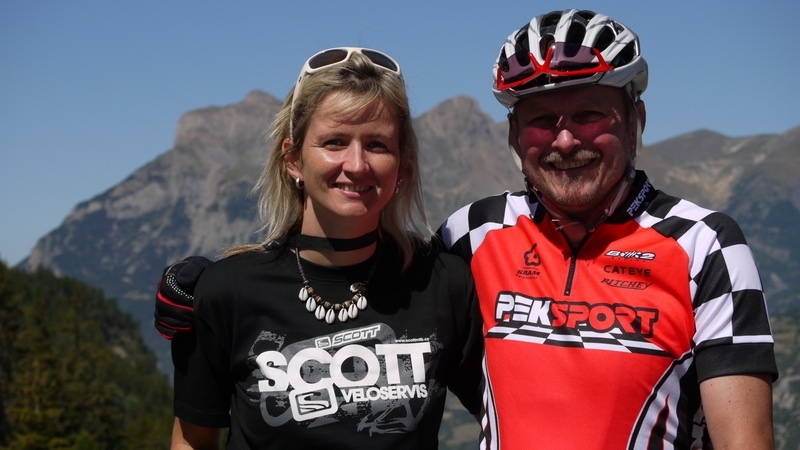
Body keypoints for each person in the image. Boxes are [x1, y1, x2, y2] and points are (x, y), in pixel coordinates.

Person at [156, 10, 779, 449]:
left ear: (635, 118)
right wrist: (202, 287)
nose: (566, 140)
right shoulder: (474, 233)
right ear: (513, 133)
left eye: (590, 114)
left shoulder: (705, 246)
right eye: (542, 120)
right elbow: (357, 278)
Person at [165, 47, 483, 449]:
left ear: (402, 165)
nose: (357, 164)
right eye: (334, 142)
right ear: (293, 160)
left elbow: (507, 415)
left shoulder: (444, 284)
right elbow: (191, 441)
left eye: (377, 145)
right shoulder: (225, 290)